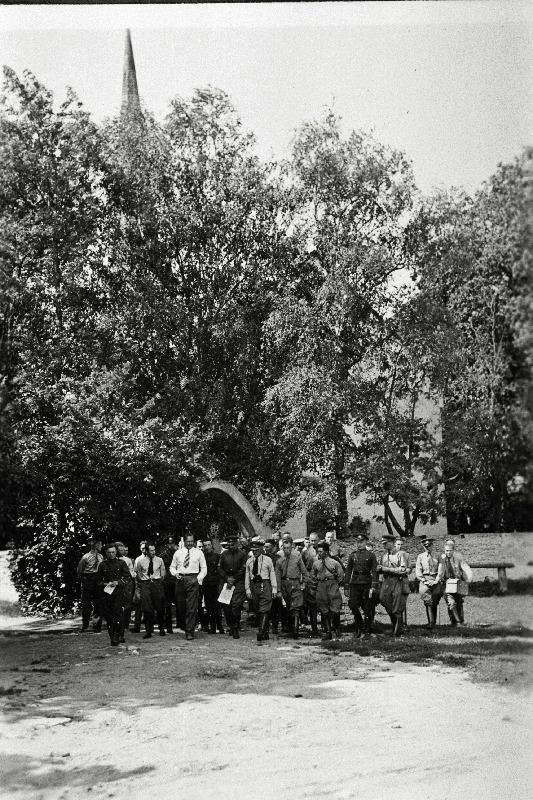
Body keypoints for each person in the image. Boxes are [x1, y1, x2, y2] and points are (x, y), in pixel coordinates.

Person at [170, 534, 207, 641]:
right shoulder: (178, 552)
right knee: (181, 606)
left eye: (192, 541)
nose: (190, 543)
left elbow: (204, 569)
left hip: (193, 579)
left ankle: (190, 631)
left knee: (191, 607)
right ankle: (185, 626)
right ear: (184, 541)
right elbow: (172, 567)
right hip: (180, 580)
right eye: (188, 541)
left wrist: (197, 579)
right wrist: (175, 573)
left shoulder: (199, 553)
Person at [97, 543, 132, 646]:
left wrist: (118, 582)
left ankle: (119, 635)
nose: (111, 554)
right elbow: (98, 581)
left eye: (113, 552)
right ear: (106, 553)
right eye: (109, 552)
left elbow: (127, 577)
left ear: (116, 552)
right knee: (109, 616)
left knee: (118, 614)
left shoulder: (121, 563)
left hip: (119, 592)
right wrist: (104, 583)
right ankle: (112, 636)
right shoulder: (102, 565)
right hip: (107, 593)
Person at [344, 533, 379, 638]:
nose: (359, 544)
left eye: (361, 542)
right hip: (355, 583)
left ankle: (367, 630)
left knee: (367, 607)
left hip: (366, 583)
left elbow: (374, 572)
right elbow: (348, 571)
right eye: (358, 542)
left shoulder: (371, 555)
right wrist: (346, 586)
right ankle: (359, 626)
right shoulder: (352, 555)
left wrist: (373, 586)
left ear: (365, 542)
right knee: (353, 605)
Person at [245, 537, 278, 642]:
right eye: (253, 550)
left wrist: (274, 588)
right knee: (258, 609)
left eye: (257, 550)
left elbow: (272, 574)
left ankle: (261, 631)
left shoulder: (268, 560)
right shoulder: (249, 561)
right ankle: (265, 632)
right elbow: (247, 576)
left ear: (261, 549)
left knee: (265, 609)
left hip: (265, 585)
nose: (254, 552)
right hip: (254, 586)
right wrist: (247, 589)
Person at [275, 535, 308, 639]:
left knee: (296, 607)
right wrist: (279, 590)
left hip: (295, 584)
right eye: (284, 548)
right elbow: (277, 577)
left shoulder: (297, 559)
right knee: (288, 607)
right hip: (285, 585)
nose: (286, 550)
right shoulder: (279, 561)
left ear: (292, 547)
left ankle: (295, 630)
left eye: (288, 548)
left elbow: (305, 572)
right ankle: (289, 628)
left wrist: (304, 584)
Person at [311, 540, 345, 640]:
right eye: (318, 551)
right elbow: (312, 575)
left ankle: (336, 627)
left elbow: (341, 575)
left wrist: (335, 583)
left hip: (332, 584)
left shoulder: (334, 563)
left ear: (326, 552)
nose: (319, 553)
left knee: (335, 606)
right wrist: (317, 582)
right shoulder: (316, 563)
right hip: (321, 585)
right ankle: (328, 632)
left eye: (321, 551)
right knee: (323, 608)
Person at [378, 534, 410, 636]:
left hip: (397, 581)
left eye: (385, 543)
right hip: (386, 582)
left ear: (391, 543)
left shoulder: (400, 554)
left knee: (397, 606)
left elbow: (402, 570)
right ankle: (395, 625)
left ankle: (397, 630)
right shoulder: (383, 555)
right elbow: (381, 568)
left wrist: (386, 569)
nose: (383, 545)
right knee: (384, 600)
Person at [218, 533, 248, 639]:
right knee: (227, 606)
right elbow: (220, 568)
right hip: (226, 582)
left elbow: (243, 569)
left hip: (238, 582)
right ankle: (231, 626)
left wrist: (234, 578)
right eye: (229, 544)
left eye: (232, 544)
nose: (230, 546)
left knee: (236, 605)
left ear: (237, 544)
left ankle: (235, 626)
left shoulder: (242, 554)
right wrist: (227, 578)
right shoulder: (224, 554)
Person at [437, 539, 473, 626]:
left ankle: (457, 621)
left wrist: (469, 579)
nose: (448, 552)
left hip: (457, 582)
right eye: (446, 551)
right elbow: (439, 571)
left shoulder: (458, 557)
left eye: (450, 550)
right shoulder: (441, 558)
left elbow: (466, 568)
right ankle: (458, 622)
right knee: (451, 602)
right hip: (446, 583)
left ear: (453, 550)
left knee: (459, 601)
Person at [136, 542, 166, 639]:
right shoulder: (141, 561)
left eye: (154, 550)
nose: (153, 552)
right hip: (146, 584)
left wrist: (156, 582)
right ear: (147, 551)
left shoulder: (159, 560)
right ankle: (148, 630)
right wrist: (145, 582)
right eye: (151, 550)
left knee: (159, 606)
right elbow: (138, 574)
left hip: (156, 584)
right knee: (147, 608)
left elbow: (163, 574)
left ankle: (161, 628)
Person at [77, 536, 104, 633]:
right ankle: (85, 625)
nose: (101, 546)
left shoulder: (101, 557)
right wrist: (84, 581)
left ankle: (97, 626)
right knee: (86, 603)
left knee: (98, 603)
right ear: (96, 546)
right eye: (100, 545)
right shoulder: (86, 557)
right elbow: (79, 571)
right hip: (88, 579)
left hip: (98, 580)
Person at [415, 537, 442, 628]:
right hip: (425, 581)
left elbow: (441, 569)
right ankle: (431, 622)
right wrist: (424, 580)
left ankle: (434, 621)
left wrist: (436, 581)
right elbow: (418, 571)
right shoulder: (420, 557)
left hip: (435, 580)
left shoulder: (438, 556)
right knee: (428, 601)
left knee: (435, 601)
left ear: (432, 545)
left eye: (429, 545)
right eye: (425, 546)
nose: (427, 547)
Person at [202, 539, 224, 634]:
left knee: (218, 606)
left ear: (212, 546)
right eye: (205, 545)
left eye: (209, 545)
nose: (207, 547)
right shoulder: (202, 558)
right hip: (206, 584)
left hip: (216, 584)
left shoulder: (218, 557)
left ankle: (220, 625)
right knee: (209, 606)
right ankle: (213, 626)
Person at [157, 536, 178, 634]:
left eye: (173, 543)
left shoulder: (178, 555)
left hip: (177, 582)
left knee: (180, 604)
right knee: (167, 605)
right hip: (167, 583)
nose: (171, 545)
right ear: (166, 545)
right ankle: (169, 626)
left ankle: (181, 623)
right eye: (169, 543)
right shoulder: (162, 556)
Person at [264, 538, 283, 634]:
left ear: (273, 547)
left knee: (276, 606)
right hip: (266, 584)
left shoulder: (278, 558)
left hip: (275, 584)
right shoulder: (262, 557)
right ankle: (265, 626)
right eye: (265, 547)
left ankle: (275, 626)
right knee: (266, 606)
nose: (266, 549)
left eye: (268, 547)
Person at [116, 541, 136, 631]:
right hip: (115, 585)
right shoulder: (110, 560)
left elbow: (132, 572)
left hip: (126, 584)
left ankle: (125, 624)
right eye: (119, 550)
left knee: (127, 604)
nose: (122, 552)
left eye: (122, 550)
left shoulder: (127, 560)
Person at [131, 541, 147, 633]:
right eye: (142, 548)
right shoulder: (138, 559)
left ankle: (149, 626)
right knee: (138, 606)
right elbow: (135, 572)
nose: (144, 550)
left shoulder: (152, 558)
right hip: (140, 584)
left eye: (145, 548)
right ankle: (137, 626)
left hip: (150, 584)